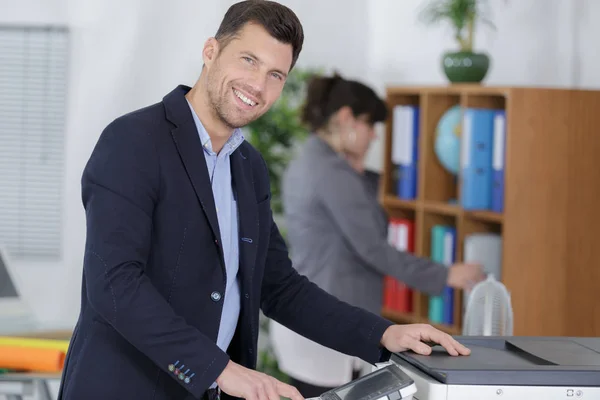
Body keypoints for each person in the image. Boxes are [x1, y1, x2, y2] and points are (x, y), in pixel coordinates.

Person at [57, 2, 473, 400]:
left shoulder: (248, 166)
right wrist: (220, 368)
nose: (258, 85)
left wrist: (382, 335)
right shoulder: (133, 141)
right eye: (248, 60)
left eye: (276, 74)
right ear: (210, 51)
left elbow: (279, 287)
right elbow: (114, 286)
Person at [270, 73, 486, 396]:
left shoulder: (309, 161)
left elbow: (356, 213)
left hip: (306, 324)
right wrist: (446, 275)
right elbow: (373, 247)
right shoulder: (332, 173)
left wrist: (359, 170)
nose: (373, 137)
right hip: (326, 326)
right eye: (371, 125)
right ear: (346, 118)